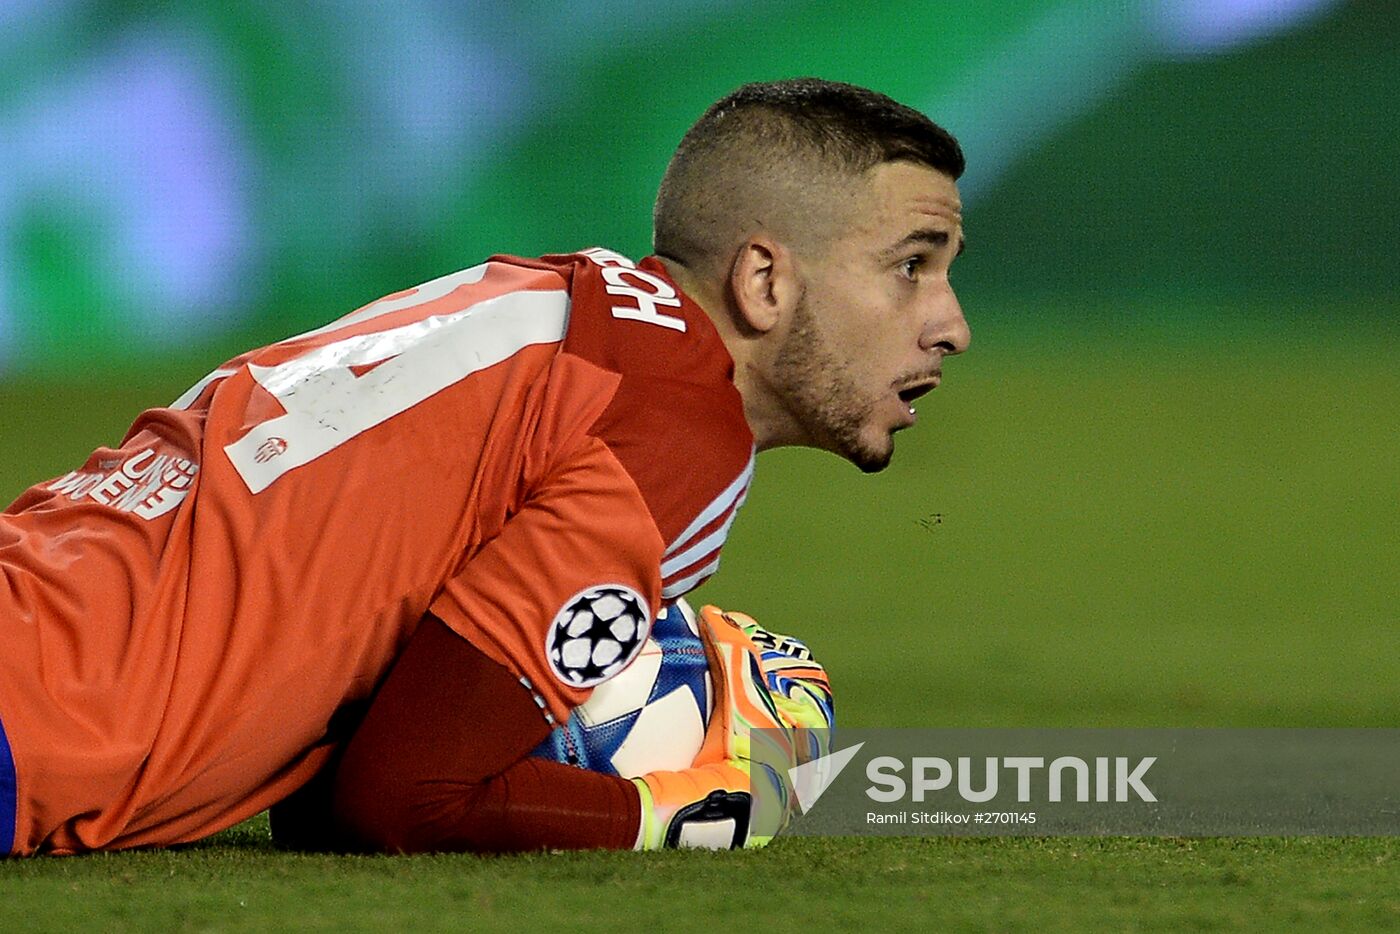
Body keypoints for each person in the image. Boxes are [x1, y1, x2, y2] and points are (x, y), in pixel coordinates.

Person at [0, 77, 968, 856]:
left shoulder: (558, 301)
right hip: (31, 718)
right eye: (911, 266)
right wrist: (685, 808)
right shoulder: (680, 431)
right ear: (763, 280)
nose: (950, 324)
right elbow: (399, 798)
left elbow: (335, 783)